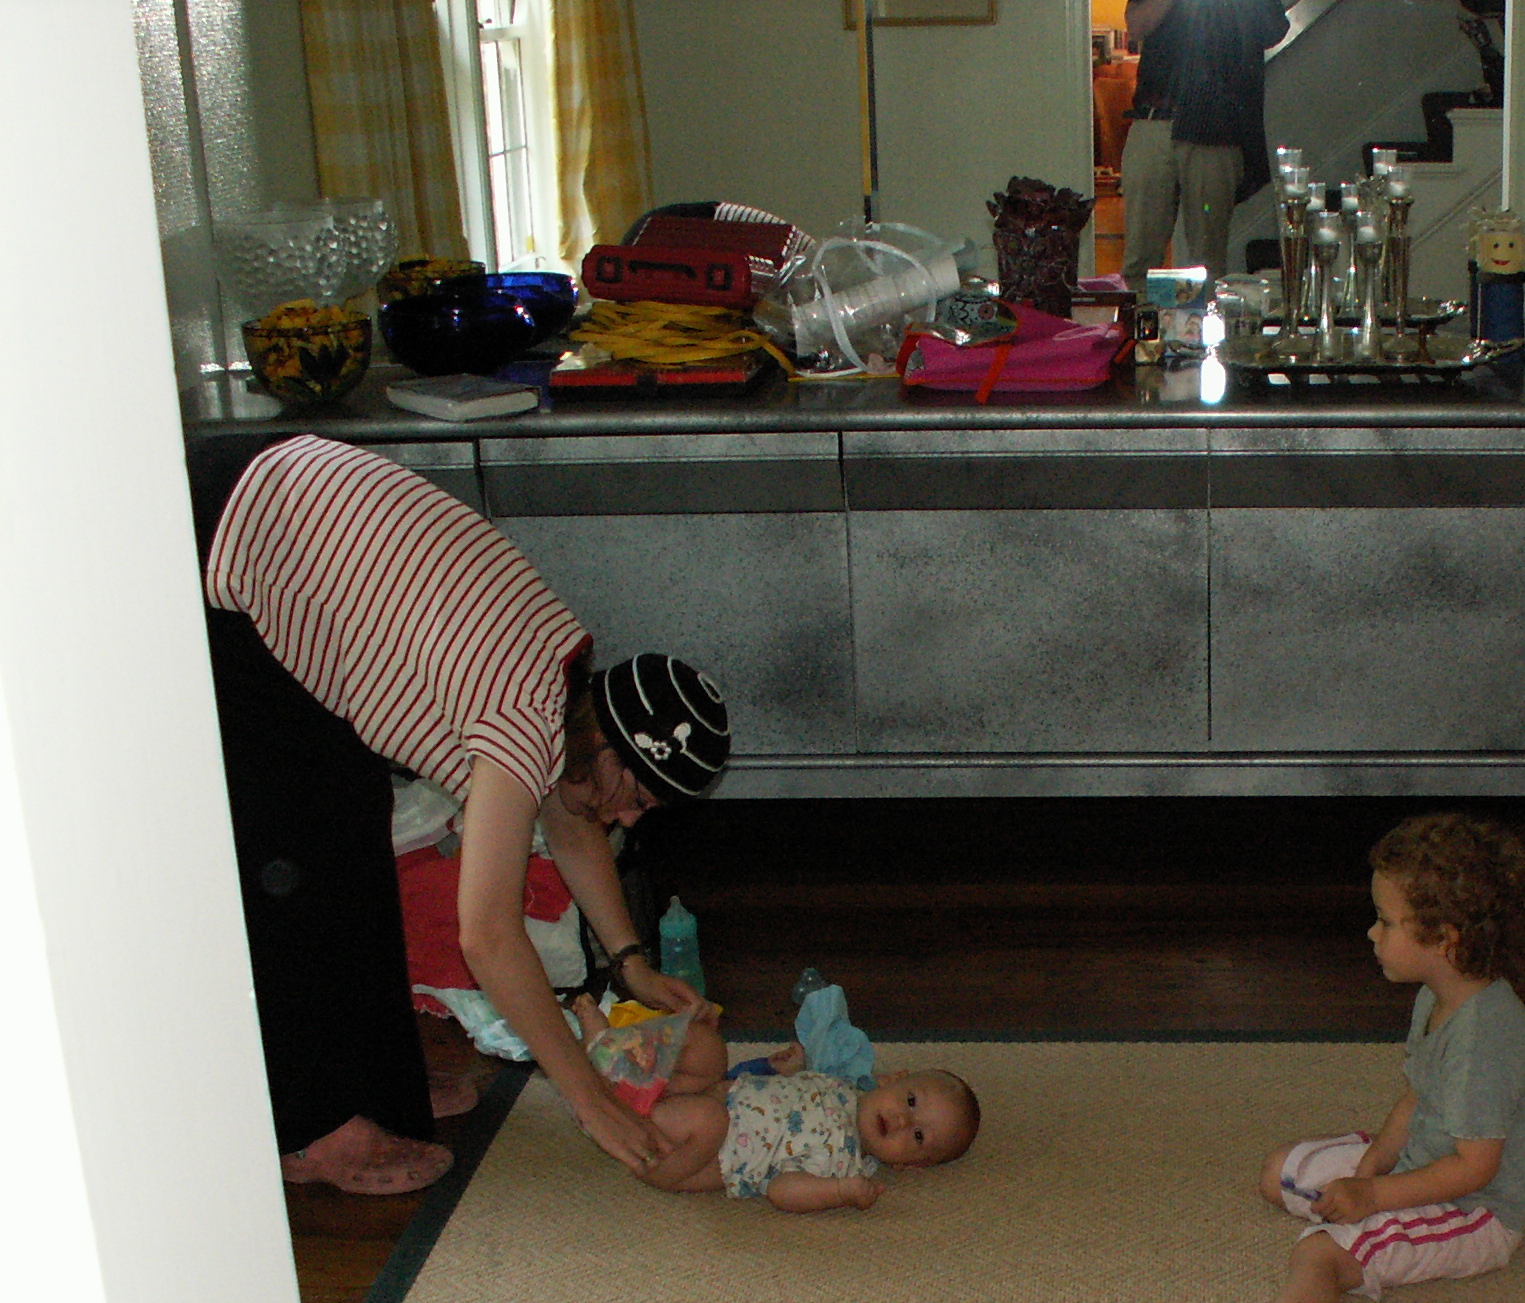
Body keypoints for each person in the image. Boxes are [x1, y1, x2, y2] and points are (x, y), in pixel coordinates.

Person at [199, 433, 732, 1196]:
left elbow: (566, 814)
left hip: (286, 514)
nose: (628, 820)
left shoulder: (564, 682)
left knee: (357, 822)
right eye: (636, 797)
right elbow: (487, 936)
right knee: (297, 860)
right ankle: (314, 1127)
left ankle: (377, 1083)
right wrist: (591, 1101)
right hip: (228, 538)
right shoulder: (522, 717)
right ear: (609, 744)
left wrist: (630, 962)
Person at [1164, 812, 1525, 1303]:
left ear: (1445, 940)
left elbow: (1475, 1168)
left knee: (1321, 1252)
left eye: (1386, 921)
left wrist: (1372, 1195)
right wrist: (1373, 1163)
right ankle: (1356, 1198)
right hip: (1425, 1161)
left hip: (1474, 1210)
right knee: (1279, 1172)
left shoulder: (1484, 1042)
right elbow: (1418, 1094)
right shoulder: (1440, 996)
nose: (1372, 933)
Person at [578, 1000, 979, 1212]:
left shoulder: (845, 1163)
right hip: (714, 1092)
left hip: (691, 1157)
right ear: (891, 1079)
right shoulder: (841, 1084)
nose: (904, 1119)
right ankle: (613, 1053)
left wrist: (839, 1192)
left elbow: (781, 1190)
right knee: (707, 1047)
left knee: (711, 1120)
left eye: (918, 1136)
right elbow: (776, 1094)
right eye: (910, 1101)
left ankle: (614, 1104)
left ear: (909, 1165)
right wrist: (777, 1069)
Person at [1117, 0, 1291, 288]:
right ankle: (1136, 317)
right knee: (1138, 263)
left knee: (1207, 265)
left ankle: (1202, 318)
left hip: (1214, 127)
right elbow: (1136, 26)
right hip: (1154, 120)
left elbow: (1272, 29)